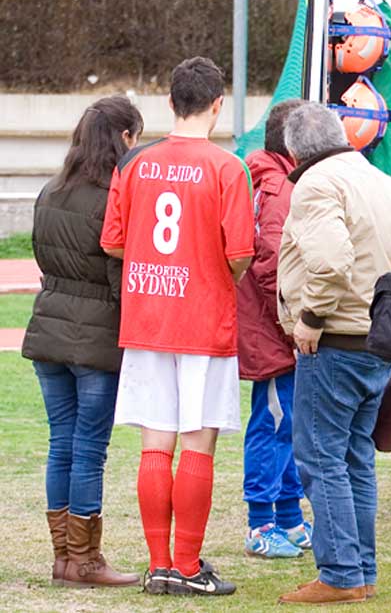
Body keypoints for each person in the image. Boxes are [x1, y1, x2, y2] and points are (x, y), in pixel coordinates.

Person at [101, 57, 254, 595]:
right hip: (203, 318)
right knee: (196, 444)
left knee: (154, 444)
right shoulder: (227, 168)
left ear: (170, 103)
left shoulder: (135, 164)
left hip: (147, 316)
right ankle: (186, 566)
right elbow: (240, 253)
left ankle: (159, 563)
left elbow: (114, 242)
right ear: (218, 105)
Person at [274, 102, 391, 605]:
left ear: (294, 150)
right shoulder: (383, 182)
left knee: (321, 459)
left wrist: (311, 319)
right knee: (356, 459)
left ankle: (340, 574)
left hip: (333, 341)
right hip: (377, 342)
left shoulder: (316, 185)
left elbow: (332, 261)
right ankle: (360, 570)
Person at [23, 96, 144, 588]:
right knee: (90, 449)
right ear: (124, 139)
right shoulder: (113, 197)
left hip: (48, 327)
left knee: (62, 444)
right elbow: (119, 276)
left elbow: (41, 257)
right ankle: (86, 560)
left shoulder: (49, 191)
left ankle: (63, 558)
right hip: (97, 338)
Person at [235, 98, 312, 559]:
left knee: (288, 422)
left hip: (272, 328)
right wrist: (293, 320)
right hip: (273, 330)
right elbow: (270, 265)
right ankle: (260, 523)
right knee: (274, 422)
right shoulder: (279, 188)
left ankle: (288, 516)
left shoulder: (267, 179)